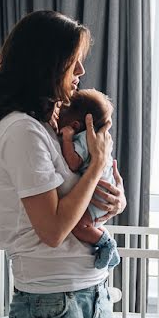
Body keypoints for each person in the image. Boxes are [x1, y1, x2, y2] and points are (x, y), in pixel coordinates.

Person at [0, 10, 125, 318]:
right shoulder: (21, 132)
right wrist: (97, 166)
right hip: (51, 301)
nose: (81, 71)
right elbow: (52, 228)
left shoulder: (51, 126)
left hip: (93, 292)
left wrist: (115, 199)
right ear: (47, 63)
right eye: (74, 61)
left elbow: (83, 197)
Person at [57, 88, 121, 270]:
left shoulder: (84, 139)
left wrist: (67, 140)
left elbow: (74, 162)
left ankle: (107, 244)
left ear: (76, 126)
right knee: (88, 224)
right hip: (105, 190)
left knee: (79, 226)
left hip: (99, 195)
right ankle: (104, 240)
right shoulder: (98, 138)